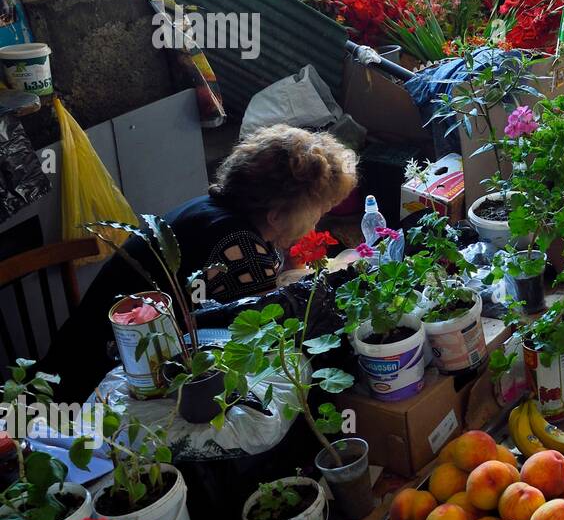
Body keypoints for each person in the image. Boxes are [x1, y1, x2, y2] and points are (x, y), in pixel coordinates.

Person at [44, 125, 360, 402]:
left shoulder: (212, 209)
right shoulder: (240, 247)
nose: (318, 220)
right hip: (97, 390)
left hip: (75, 362)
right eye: (319, 210)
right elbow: (256, 339)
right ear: (276, 215)